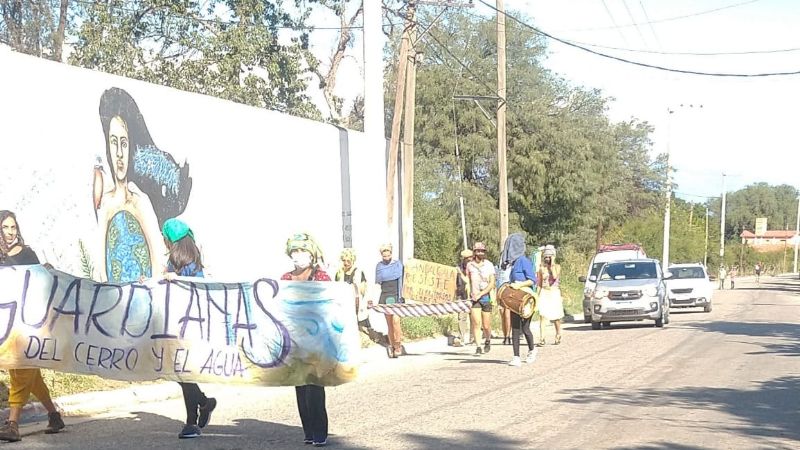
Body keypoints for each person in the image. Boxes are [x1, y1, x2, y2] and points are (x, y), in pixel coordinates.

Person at [95, 87, 192, 283]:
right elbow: (100, 266)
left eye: (124, 143)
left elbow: (156, 261)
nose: (119, 153)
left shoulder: (140, 202)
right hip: (113, 297)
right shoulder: (106, 203)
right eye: (113, 142)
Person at [0, 210, 65, 442]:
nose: (10, 232)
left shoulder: (27, 254)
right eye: (5, 227)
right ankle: (54, 415)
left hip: (29, 322)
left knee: (20, 367)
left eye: (13, 227)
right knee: (29, 372)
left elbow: (41, 283)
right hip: (6, 324)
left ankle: (13, 424)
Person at [161, 218, 217, 439]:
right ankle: (203, 403)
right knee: (179, 372)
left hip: (190, 324)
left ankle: (191, 422)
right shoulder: (175, 261)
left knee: (183, 372)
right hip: (176, 323)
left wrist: (175, 280)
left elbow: (197, 289)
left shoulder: (192, 263)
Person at [282, 233, 331, 447]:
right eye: (294, 251)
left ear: (311, 254)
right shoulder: (285, 279)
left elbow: (331, 304)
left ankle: (320, 431)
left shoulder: (320, 277)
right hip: (294, 341)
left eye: (302, 251)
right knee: (300, 386)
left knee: (314, 387)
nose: (298, 255)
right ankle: (308, 431)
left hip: (316, 341)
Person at [500, 233, 538, 366]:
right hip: (514, 298)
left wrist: (520, 285)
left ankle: (532, 350)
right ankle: (516, 356)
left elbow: (532, 280)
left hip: (527, 299)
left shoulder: (523, 261)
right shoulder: (512, 264)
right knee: (515, 328)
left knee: (525, 328)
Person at [375, 244, 404, 358]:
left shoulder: (398, 264)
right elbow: (378, 282)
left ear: (391, 254)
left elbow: (402, 279)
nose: (387, 258)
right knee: (389, 323)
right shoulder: (379, 266)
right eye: (384, 256)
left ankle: (398, 345)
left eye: (388, 255)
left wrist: (402, 296)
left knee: (396, 321)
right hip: (385, 295)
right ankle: (392, 346)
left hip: (396, 294)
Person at [467, 242, 495, 355]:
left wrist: (482, 293)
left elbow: (492, 283)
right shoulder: (470, 265)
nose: (480, 253)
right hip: (474, 298)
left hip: (485, 296)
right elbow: (468, 280)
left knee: (486, 325)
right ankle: (478, 346)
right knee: (476, 323)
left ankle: (487, 340)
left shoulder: (489, 265)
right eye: (478, 251)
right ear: (474, 252)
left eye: (482, 251)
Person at [537, 245, 564, 345]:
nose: (547, 258)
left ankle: (558, 334)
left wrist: (552, 264)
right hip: (545, 292)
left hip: (554, 292)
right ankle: (542, 338)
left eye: (549, 256)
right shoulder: (541, 268)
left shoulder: (557, 267)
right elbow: (539, 283)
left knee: (556, 316)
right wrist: (537, 295)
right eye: (546, 256)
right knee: (542, 315)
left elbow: (555, 276)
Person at [335, 248, 368, 328]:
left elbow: (363, 291)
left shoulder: (359, 272)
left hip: (355, 305)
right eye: (344, 260)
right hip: (343, 304)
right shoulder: (339, 273)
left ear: (353, 261)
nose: (346, 263)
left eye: (348, 261)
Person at [454, 249, 473, 347]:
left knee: (474, 317)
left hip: (473, 296)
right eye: (466, 258)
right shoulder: (458, 268)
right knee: (461, 317)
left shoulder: (474, 268)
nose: (468, 260)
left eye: (470, 258)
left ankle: (473, 337)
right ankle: (461, 338)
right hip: (461, 296)